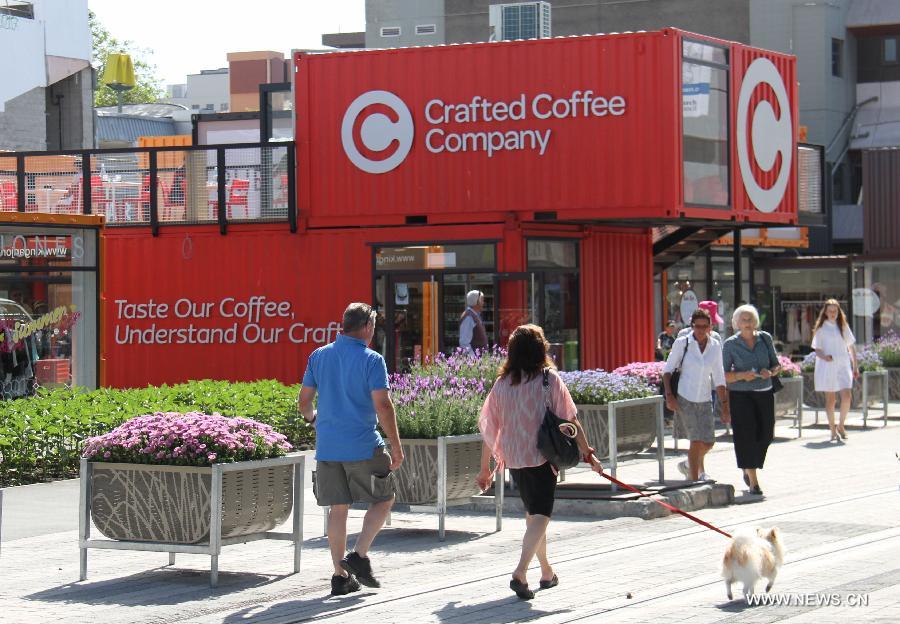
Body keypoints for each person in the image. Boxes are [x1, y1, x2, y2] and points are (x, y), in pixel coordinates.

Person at [476, 324, 603, 600]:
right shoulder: (548, 379)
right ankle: (520, 572)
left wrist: (485, 468)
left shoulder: (502, 384)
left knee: (534, 517)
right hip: (541, 458)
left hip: (514, 459)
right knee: (541, 516)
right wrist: (587, 452)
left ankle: (546, 571)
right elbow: (571, 420)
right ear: (540, 349)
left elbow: (489, 427)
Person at [298, 302, 405, 596]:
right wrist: (395, 445)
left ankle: (340, 576)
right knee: (385, 498)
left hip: (328, 448)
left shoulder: (319, 356)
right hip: (363, 444)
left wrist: (314, 420)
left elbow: (304, 402)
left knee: (338, 509)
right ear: (368, 327)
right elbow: (383, 405)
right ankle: (358, 555)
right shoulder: (372, 360)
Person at [663, 308, 729, 482]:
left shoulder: (715, 346)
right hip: (685, 397)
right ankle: (693, 481)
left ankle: (688, 464)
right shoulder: (682, 343)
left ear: (710, 327)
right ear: (692, 326)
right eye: (697, 326)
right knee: (696, 441)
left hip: (705, 398)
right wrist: (669, 396)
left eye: (704, 326)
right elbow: (667, 371)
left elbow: (719, 377)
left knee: (709, 442)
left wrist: (725, 406)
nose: (700, 330)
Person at [721, 304, 781, 497]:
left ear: (755, 321)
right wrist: (740, 376)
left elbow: (776, 365)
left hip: (764, 391)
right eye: (743, 320)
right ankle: (753, 481)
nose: (747, 323)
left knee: (765, 435)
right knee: (746, 436)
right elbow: (722, 375)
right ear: (736, 323)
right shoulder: (730, 344)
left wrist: (770, 372)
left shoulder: (765, 338)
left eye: (750, 319)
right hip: (741, 395)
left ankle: (748, 467)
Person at [811, 299, 858, 441]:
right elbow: (817, 349)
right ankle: (832, 429)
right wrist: (824, 357)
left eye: (835, 311)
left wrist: (855, 366)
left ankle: (841, 425)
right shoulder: (821, 329)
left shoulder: (843, 326)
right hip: (828, 366)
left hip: (843, 365)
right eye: (830, 311)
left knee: (847, 396)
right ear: (825, 312)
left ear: (839, 312)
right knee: (831, 400)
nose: (832, 313)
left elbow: (851, 347)